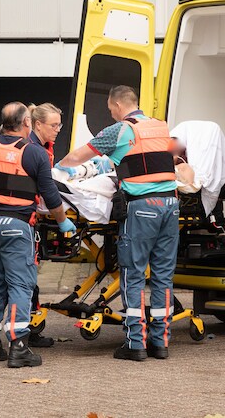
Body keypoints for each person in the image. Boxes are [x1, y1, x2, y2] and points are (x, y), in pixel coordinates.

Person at [58, 86, 179, 361]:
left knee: (133, 275)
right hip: (171, 207)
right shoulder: (161, 127)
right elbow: (177, 160)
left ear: (116, 104)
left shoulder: (120, 130)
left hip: (142, 209)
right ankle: (160, 343)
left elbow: (79, 156)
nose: (111, 113)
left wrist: (57, 170)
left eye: (110, 108)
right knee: (162, 276)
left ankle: (136, 344)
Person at [0, 102, 73, 368]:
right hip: (15, 226)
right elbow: (51, 195)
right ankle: (18, 346)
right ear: (28, 123)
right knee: (20, 284)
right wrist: (63, 222)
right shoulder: (34, 154)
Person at [25, 102, 64, 348]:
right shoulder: (34, 149)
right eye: (54, 125)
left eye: (60, 124)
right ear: (38, 125)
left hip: (0, 220)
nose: (58, 129)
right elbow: (48, 192)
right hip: (24, 222)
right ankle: (28, 334)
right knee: (25, 280)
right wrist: (62, 220)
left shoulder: (37, 146)